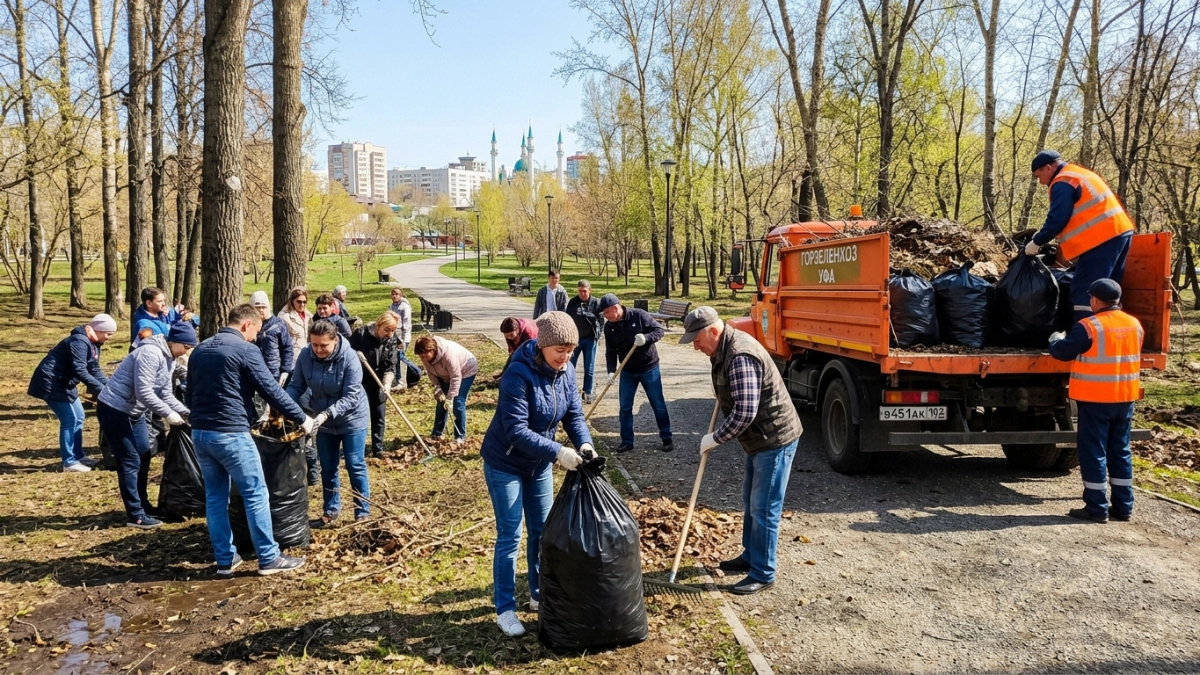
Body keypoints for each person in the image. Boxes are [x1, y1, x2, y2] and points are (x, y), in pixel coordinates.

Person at [479, 311, 593, 637]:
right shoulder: (518, 373)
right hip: (506, 463)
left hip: (539, 464)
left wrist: (585, 444)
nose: (566, 356)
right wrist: (558, 453)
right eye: (560, 349)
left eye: (570, 350)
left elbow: (573, 414)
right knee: (510, 536)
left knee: (542, 533)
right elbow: (515, 430)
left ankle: (539, 594)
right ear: (542, 344)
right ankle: (504, 609)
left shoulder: (566, 370)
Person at [683, 307, 803, 595]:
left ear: (713, 330)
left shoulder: (739, 355)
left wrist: (715, 438)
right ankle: (751, 556)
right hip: (757, 439)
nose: (695, 346)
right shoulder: (721, 350)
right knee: (750, 501)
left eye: (697, 339)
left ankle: (763, 572)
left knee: (764, 508)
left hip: (773, 439)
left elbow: (745, 412)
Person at [187, 304, 313, 575]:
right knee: (255, 493)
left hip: (200, 434)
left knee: (215, 497)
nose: (256, 337)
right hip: (231, 434)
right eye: (256, 330)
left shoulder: (200, 349)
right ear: (247, 325)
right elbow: (270, 389)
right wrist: (302, 417)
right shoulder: (245, 349)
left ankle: (225, 560)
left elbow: (189, 395)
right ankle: (269, 557)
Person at [1049, 279, 1144, 523]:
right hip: (1125, 398)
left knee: (1094, 452)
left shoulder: (1089, 326)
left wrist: (1054, 339)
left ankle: (1096, 507)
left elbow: (1062, 352)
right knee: (1121, 451)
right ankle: (1124, 507)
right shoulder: (1135, 324)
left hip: (1095, 400)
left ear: (1094, 300)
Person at [96, 321, 196, 528]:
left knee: (144, 452)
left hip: (135, 412)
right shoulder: (150, 353)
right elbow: (144, 392)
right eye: (185, 347)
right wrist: (169, 414)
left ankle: (143, 505)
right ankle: (135, 514)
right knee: (130, 460)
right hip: (114, 410)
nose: (186, 352)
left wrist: (186, 412)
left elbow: (164, 392)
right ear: (174, 341)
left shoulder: (169, 358)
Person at [1025, 150, 1135, 321]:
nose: (1040, 182)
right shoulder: (1079, 173)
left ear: (1048, 168)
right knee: (1109, 291)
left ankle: (1085, 338)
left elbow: (1057, 218)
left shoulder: (1062, 182)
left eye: (1038, 176)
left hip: (1100, 239)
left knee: (1086, 288)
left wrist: (1036, 242)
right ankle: (1109, 335)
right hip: (1119, 232)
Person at [287, 319, 371, 526]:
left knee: (354, 464)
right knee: (327, 466)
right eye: (314, 344)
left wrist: (326, 413)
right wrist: (282, 404)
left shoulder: (349, 358)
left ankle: (362, 512)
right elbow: (296, 385)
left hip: (352, 418)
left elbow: (351, 396)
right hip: (322, 420)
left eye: (323, 345)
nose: (318, 349)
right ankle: (331, 511)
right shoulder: (306, 356)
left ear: (335, 341)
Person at [28, 314, 116, 472]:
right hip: (52, 383)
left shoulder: (94, 343)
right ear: (98, 330)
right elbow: (81, 370)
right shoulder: (79, 342)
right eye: (108, 334)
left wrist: (111, 387)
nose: (109, 338)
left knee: (79, 416)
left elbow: (94, 369)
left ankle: (79, 456)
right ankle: (69, 462)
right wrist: (102, 391)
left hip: (65, 383)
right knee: (69, 419)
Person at [599, 293, 673, 453]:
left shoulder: (639, 315)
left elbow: (659, 330)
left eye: (606, 313)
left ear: (615, 308)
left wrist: (646, 338)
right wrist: (611, 371)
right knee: (625, 407)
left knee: (658, 404)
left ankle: (666, 437)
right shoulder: (609, 327)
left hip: (649, 367)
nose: (605, 316)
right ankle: (627, 441)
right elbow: (610, 351)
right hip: (627, 371)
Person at [349, 312, 398, 458]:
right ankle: (356, 448)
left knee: (378, 415)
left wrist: (387, 383)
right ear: (378, 325)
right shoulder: (361, 334)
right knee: (358, 415)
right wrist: (355, 354)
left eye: (392, 330)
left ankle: (378, 449)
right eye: (386, 330)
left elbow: (391, 364)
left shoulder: (391, 339)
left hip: (379, 381)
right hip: (359, 381)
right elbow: (348, 351)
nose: (390, 334)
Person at [414, 335, 478, 443]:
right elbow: (431, 372)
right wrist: (437, 387)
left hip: (465, 371)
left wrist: (450, 398)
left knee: (458, 402)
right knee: (441, 402)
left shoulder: (448, 354)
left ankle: (460, 436)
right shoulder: (425, 356)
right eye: (421, 356)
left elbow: (456, 377)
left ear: (432, 350)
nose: (423, 358)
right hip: (445, 375)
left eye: (424, 355)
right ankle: (437, 433)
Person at [565, 279, 604, 403]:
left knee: (589, 367)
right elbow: (568, 319)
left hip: (590, 339)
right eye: (580, 291)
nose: (582, 293)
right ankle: (568, 391)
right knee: (569, 366)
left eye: (584, 291)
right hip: (575, 340)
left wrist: (599, 334)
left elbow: (601, 320)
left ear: (590, 290)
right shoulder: (573, 302)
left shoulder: (596, 303)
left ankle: (587, 392)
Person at [249, 291, 293, 385]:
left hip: (273, 375)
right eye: (257, 308)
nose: (261, 310)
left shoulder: (278, 325)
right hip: (252, 372)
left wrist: (285, 370)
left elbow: (287, 348)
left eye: (263, 307)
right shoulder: (247, 325)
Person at [131, 286, 196, 348]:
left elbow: (193, 320)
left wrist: (180, 314)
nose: (164, 304)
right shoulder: (144, 324)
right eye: (160, 301)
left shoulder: (165, 312)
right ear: (149, 303)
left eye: (164, 300)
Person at [387, 288, 423, 390]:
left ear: (401, 295)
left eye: (397, 294)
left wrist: (403, 339)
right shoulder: (391, 306)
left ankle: (410, 374)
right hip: (394, 334)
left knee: (399, 356)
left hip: (402, 335)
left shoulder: (404, 307)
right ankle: (398, 379)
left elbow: (406, 324)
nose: (394, 296)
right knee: (397, 357)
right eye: (393, 294)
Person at [277, 287, 311, 362]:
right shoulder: (284, 317)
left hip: (307, 356)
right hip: (292, 358)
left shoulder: (309, 316)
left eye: (304, 302)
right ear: (292, 301)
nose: (302, 304)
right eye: (299, 302)